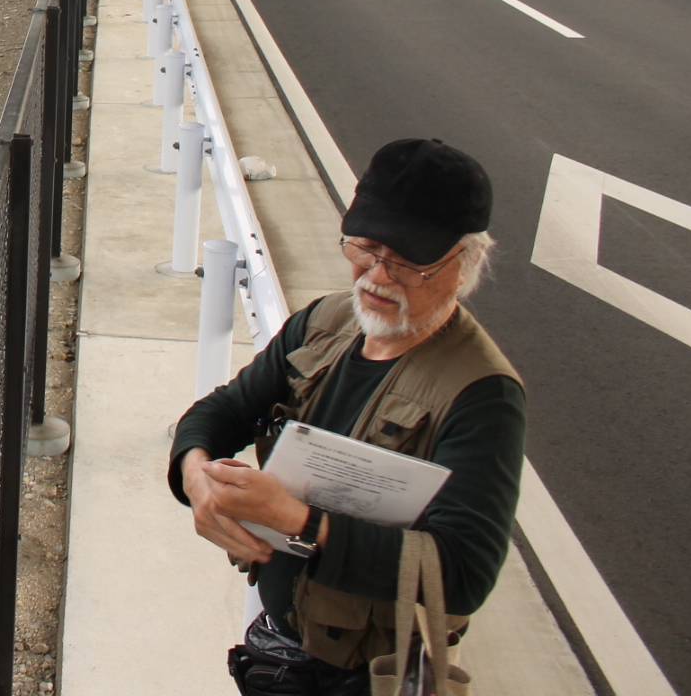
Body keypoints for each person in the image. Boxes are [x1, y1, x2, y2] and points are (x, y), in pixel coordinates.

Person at [168, 139, 526, 695]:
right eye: (364, 246)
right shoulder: (326, 321)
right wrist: (195, 474)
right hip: (281, 647)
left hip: (365, 673)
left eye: (408, 260)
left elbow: (464, 573)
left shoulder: (482, 394)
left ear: (466, 262)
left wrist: (300, 521)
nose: (378, 275)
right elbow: (226, 409)